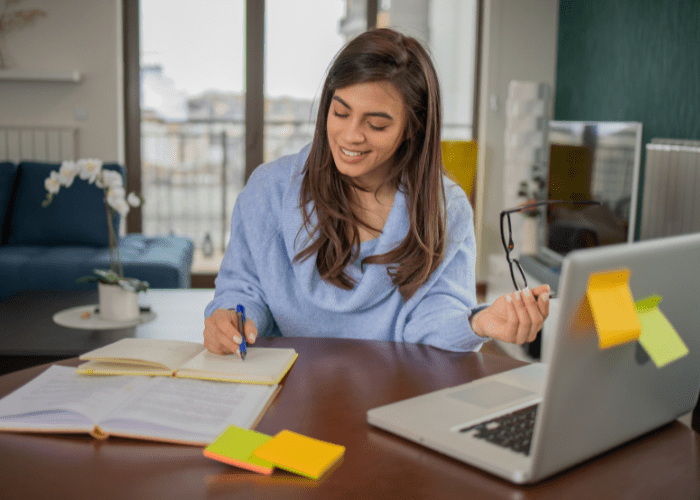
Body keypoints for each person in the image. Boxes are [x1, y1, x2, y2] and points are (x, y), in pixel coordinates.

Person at [203, 28, 549, 357]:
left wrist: (478, 322)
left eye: (377, 124)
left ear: (412, 127)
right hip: (287, 388)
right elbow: (243, 290)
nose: (351, 135)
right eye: (340, 112)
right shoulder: (269, 190)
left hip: (392, 396)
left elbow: (434, 316)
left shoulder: (444, 208)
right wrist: (232, 316)